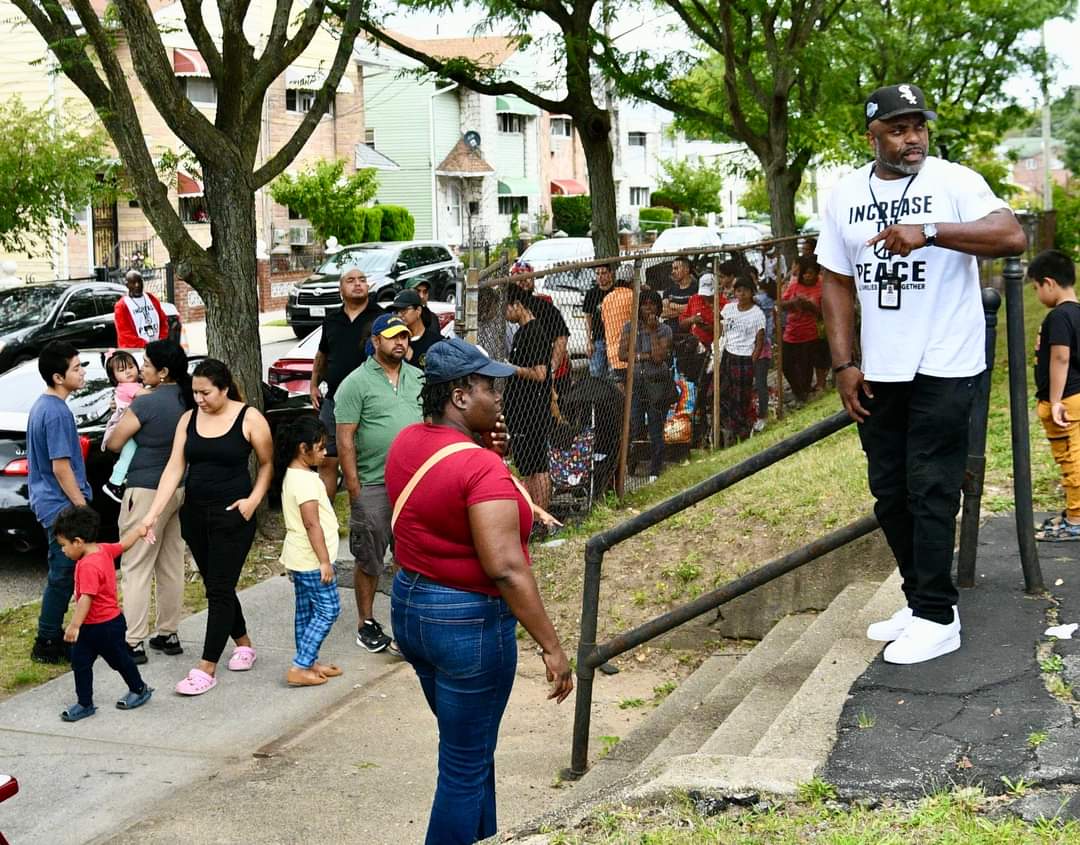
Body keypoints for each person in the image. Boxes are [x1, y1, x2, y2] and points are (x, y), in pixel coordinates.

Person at [819, 82, 1027, 665]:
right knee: (889, 492)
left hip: (946, 360)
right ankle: (920, 601)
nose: (912, 138)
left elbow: (1011, 235)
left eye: (918, 127)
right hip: (881, 367)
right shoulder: (843, 196)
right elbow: (834, 281)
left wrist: (930, 231)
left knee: (931, 487)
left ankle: (939, 617)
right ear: (872, 137)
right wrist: (843, 362)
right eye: (898, 129)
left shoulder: (953, 181)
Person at [386, 337, 573, 844]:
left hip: (411, 609)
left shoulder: (408, 441)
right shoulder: (479, 467)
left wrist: (484, 451)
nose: (499, 396)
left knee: (470, 750)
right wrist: (553, 647)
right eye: (490, 387)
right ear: (461, 397)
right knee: (464, 768)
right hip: (466, 625)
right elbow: (506, 567)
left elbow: (430, 509)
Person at [142, 359, 274, 694]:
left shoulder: (249, 418)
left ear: (224, 388)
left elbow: (267, 463)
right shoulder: (188, 419)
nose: (199, 398)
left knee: (218, 590)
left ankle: (206, 667)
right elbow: (174, 468)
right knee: (219, 586)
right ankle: (244, 644)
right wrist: (153, 513)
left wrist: (253, 501)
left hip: (234, 515)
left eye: (205, 392)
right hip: (196, 515)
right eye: (195, 392)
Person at [335, 314, 423, 653]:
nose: (400, 342)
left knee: (408, 556)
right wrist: (355, 489)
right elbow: (345, 439)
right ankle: (366, 622)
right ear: (375, 341)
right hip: (374, 483)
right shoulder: (355, 383)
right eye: (392, 337)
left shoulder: (418, 379)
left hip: (414, 484)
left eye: (404, 336)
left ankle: (404, 624)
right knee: (370, 557)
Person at [105, 340, 192, 665]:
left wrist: (126, 410)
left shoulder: (146, 404)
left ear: (163, 371)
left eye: (146, 364)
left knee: (137, 565)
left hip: (144, 491)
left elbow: (114, 443)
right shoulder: (188, 399)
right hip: (178, 490)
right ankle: (168, 633)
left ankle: (133, 640)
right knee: (170, 562)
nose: (141, 369)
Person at [55, 506, 153, 722]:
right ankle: (84, 703)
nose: (63, 551)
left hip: (105, 626)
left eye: (63, 546)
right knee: (80, 663)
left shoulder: (88, 565)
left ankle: (139, 688)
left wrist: (74, 625)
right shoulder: (102, 549)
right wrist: (139, 530)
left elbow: (86, 599)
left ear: (78, 542)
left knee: (119, 660)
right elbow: (124, 545)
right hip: (93, 626)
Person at [29, 341, 92, 664]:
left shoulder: (46, 406)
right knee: (63, 575)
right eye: (76, 368)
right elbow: (61, 465)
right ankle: (47, 640)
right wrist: (81, 506)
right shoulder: (54, 412)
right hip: (60, 507)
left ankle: (63, 635)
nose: (82, 373)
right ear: (58, 377)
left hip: (53, 503)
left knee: (69, 574)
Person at [274, 416, 343, 686]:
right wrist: (325, 561)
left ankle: (309, 658)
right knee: (329, 609)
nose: (325, 453)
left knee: (306, 611)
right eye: (321, 447)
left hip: (300, 557)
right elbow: (311, 523)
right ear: (303, 448)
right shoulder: (303, 481)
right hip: (312, 559)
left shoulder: (296, 474)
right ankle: (301, 666)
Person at [310, 265, 386, 499]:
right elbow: (322, 354)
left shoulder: (380, 317)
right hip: (334, 402)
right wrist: (314, 383)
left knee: (366, 465)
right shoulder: (332, 320)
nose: (358, 283)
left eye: (362, 279)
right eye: (351, 280)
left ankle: (363, 516)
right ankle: (326, 520)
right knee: (327, 461)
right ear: (341, 288)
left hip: (371, 403)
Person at [1029, 250, 1080, 541]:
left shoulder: (1059, 316)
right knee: (1073, 457)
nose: (1037, 294)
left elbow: (1061, 357)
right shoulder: (1077, 312)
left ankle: (1076, 518)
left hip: (1065, 401)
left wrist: (1056, 400)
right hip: (1074, 399)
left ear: (1048, 283)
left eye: (1036, 288)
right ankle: (1074, 511)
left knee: (1071, 460)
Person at [504, 286, 555, 514]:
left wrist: (512, 369)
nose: (505, 313)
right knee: (528, 467)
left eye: (506, 307)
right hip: (520, 410)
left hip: (531, 409)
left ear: (517, 305)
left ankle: (541, 514)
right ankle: (535, 514)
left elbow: (540, 373)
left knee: (538, 466)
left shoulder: (534, 333)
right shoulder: (521, 332)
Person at [619, 290, 674, 481]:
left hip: (657, 383)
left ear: (658, 307)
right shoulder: (630, 327)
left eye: (652, 304)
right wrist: (642, 356)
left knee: (655, 425)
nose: (648, 308)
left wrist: (651, 332)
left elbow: (658, 357)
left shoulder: (664, 330)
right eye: (644, 304)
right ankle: (632, 462)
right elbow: (623, 354)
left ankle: (655, 470)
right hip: (636, 382)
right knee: (634, 424)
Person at [719, 276, 766, 443]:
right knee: (723, 393)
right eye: (739, 290)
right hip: (728, 355)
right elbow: (719, 326)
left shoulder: (757, 314)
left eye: (745, 290)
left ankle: (743, 429)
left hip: (745, 358)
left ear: (752, 292)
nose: (742, 294)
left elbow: (759, 341)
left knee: (741, 397)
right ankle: (731, 427)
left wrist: (752, 359)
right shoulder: (729, 308)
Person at [101, 350, 147, 504]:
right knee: (128, 453)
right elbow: (147, 395)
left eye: (130, 366)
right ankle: (114, 483)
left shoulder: (135, 384)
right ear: (114, 377)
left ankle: (121, 479)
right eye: (121, 370)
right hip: (124, 428)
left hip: (129, 427)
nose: (128, 372)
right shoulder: (128, 387)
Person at [780, 255, 826, 403]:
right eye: (805, 273)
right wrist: (794, 302)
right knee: (786, 365)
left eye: (811, 273)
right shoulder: (794, 285)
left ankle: (804, 394)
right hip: (791, 331)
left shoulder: (822, 285)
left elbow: (823, 313)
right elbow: (782, 304)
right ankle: (798, 391)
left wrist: (810, 306)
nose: (807, 276)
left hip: (810, 333)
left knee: (806, 366)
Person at [113, 270, 169, 349]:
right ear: (127, 285)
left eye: (139, 281)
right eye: (133, 282)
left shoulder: (151, 299)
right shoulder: (122, 306)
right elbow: (125, 334)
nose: (137, 285)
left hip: (157, 349)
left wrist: (161, 340)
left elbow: (163, 322)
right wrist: (146, 345)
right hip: (136, 351)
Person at [393, 288, 442, 370]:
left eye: (404, 310)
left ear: (418, 310)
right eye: (396, 311)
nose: (399, 315)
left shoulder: (437, 343)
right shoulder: (393, 342)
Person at [753, 279, 778, 431]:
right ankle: (761, 414)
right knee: (761, 383)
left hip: (760, 346)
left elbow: (753, 299)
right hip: (765, 343)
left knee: (760, 383)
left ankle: (762, 415)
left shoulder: (761, 300)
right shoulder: (771, 301)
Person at [583, 263, 616, 378]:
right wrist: (589, 340)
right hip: (598, 339)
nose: (600, 277)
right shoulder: (591, 294)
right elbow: (588, 318)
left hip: (615, 339)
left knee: (615, 374)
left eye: (603, 273)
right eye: (597, 274)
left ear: (610, 273)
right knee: (597, 374)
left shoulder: (616, 291)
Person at [601, 278, 634, 384]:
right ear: (631, 282)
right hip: (629, 352)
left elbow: (604, 320)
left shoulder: (607, 298)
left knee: (620, 389)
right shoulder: (632, 296)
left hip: (612, 353)